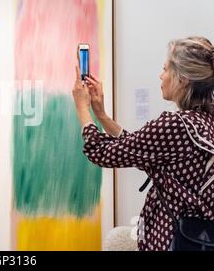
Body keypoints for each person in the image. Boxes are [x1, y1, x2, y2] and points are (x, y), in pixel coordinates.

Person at [72, 36, 214, 251]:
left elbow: (99, 152)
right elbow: (141, 149)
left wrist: (82, 108)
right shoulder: (203, 123)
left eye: (165, 69)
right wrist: (101, 115)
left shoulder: (175, 124)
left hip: (170, 240)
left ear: (183, 79)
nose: (161, 76)